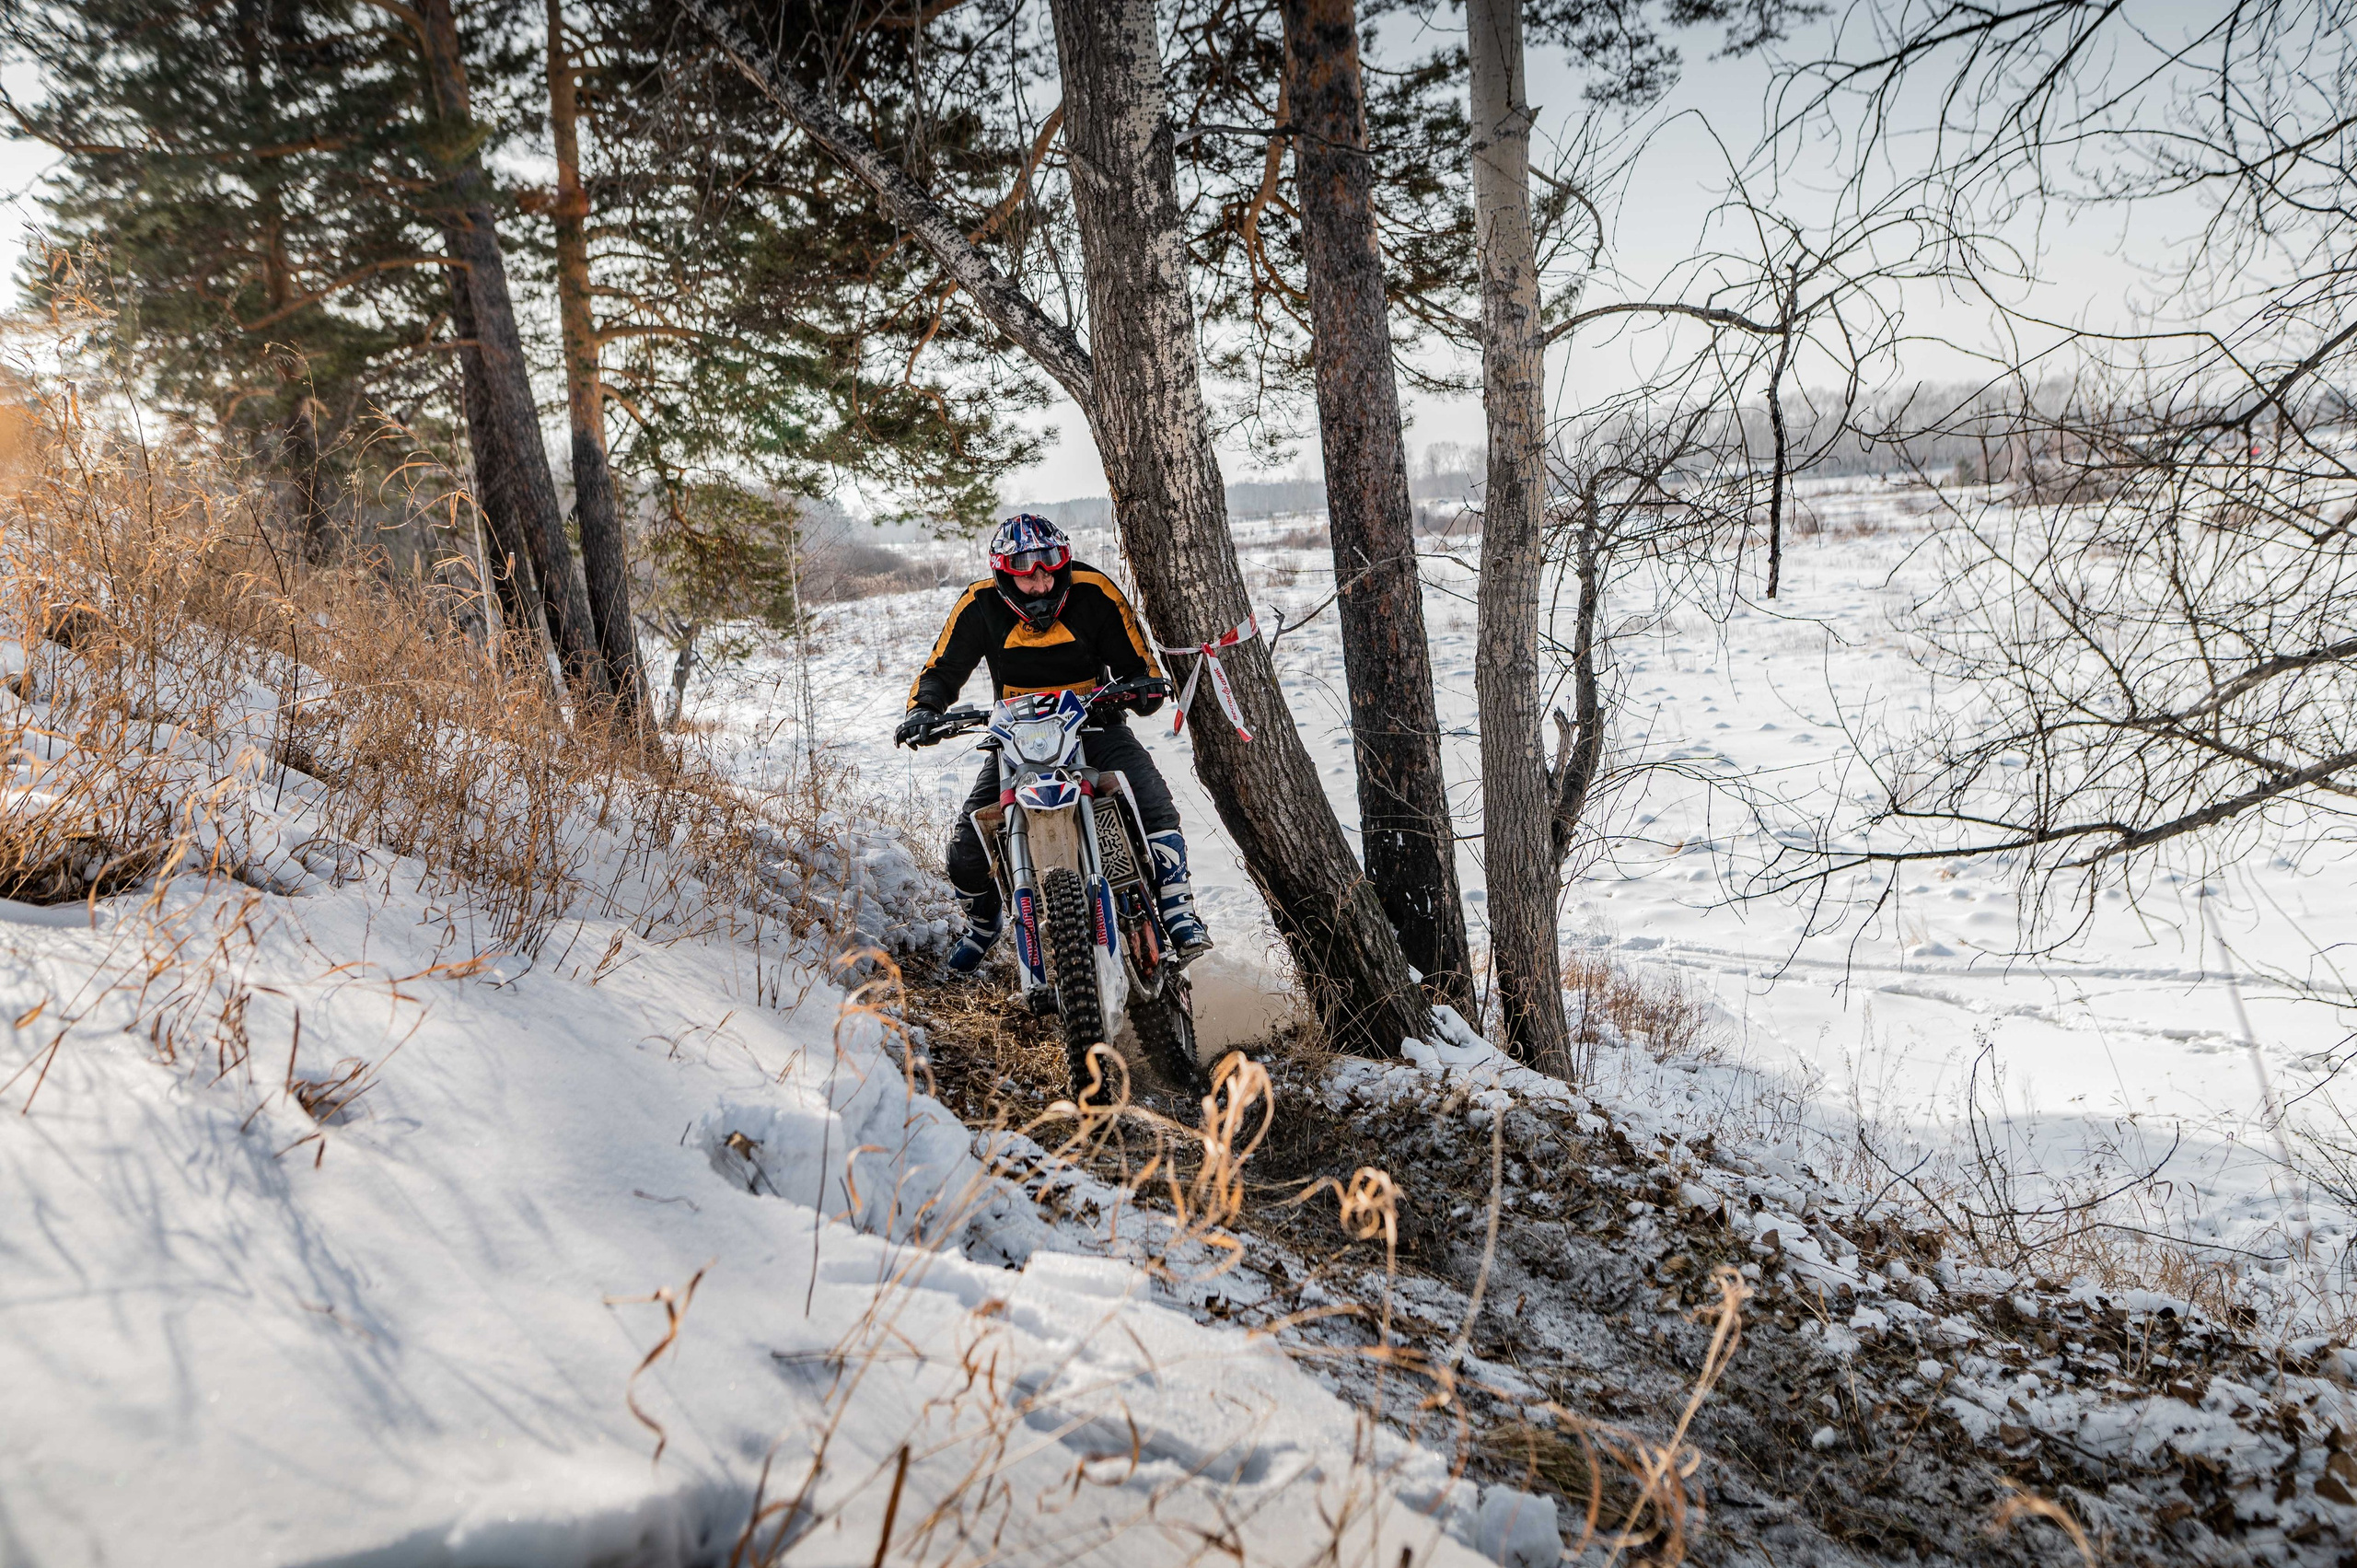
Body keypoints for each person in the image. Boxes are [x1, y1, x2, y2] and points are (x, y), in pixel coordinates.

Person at [895, 514, 1213, 975]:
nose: (1041, 584)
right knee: (968, 846)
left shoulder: (1095, 591)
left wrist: (1145, 686)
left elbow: (1139, 663)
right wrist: (924, 710)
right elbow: (942, 668)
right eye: (1028, 576)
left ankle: (1178, 911)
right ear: (1004, 575)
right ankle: (983, 926)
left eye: (1050, 571)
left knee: (1151, 799)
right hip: (1016, 741)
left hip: (1095, 725)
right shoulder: (978, 604)